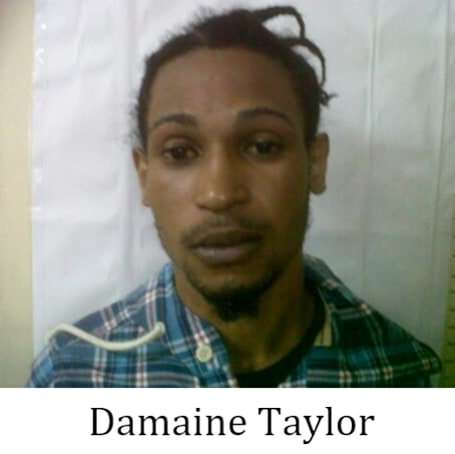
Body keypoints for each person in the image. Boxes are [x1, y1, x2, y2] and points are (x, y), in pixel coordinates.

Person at [28, 5, 440, 387]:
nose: (219, 194)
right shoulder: (69, 378)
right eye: (179, 152)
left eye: (262, 146)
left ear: (316, 163)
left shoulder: (406, 374)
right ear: (145, 177)